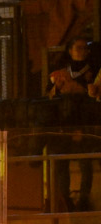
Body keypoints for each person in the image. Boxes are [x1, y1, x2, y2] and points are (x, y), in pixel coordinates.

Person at [48, 37, 96, 212]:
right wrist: (56, 88)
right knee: (62, 163)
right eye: (78, 47)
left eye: (85, 48)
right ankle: (65, 199)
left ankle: (83, 199)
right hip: (63, 124)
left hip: (85, 124)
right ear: (70, 50)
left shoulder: (93, 72)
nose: (82, 51)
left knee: (85, 163)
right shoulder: (60, 72)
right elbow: (48, 97)